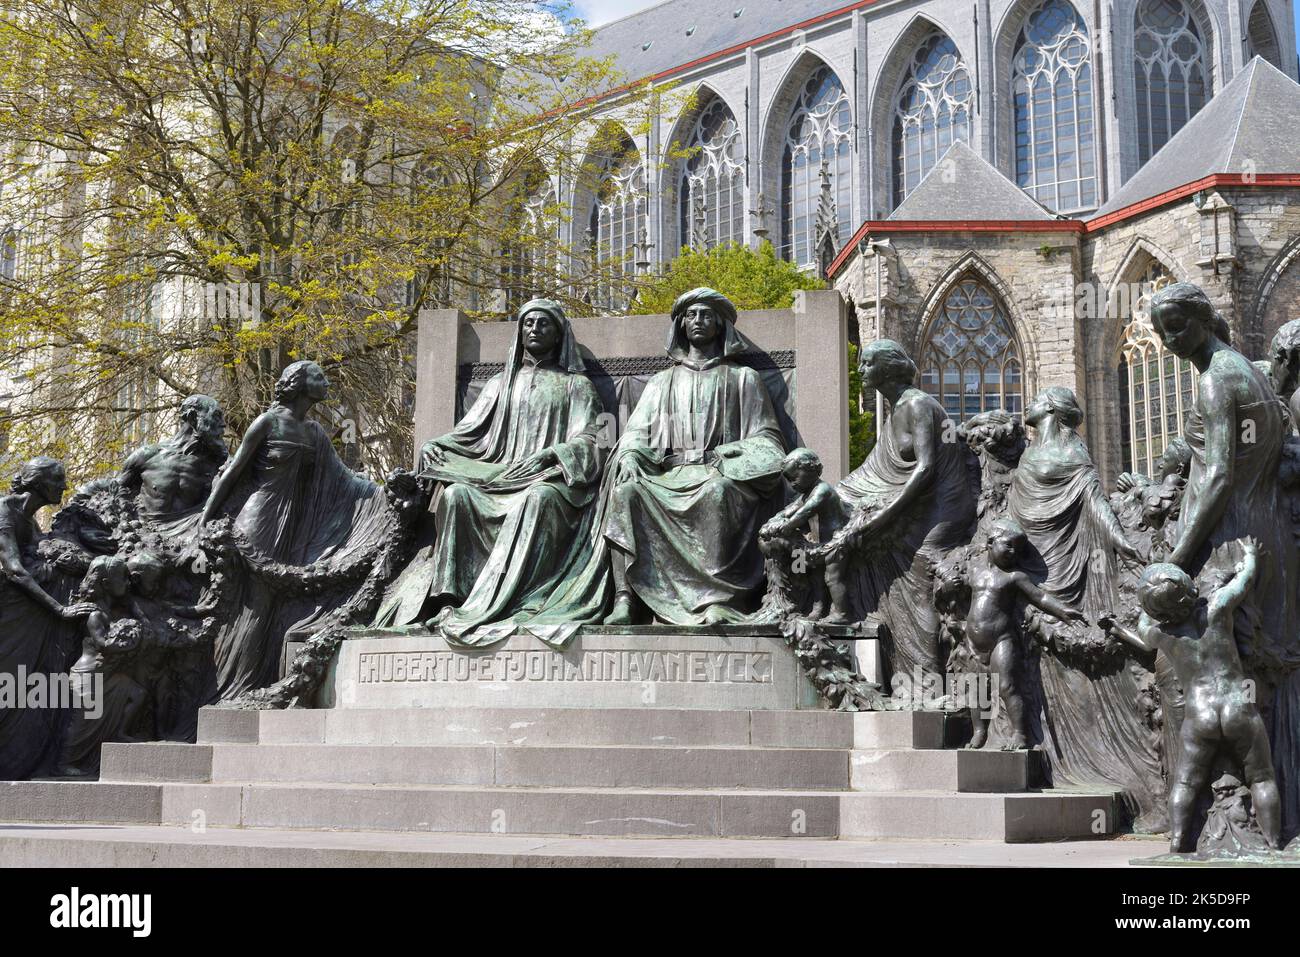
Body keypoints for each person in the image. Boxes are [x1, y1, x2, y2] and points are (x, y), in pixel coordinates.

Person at [535, 288, 786, 626]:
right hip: (669, 475)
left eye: (706, 315)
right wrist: (629, 456)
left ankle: (717, 600)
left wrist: (731, 455)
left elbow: (767, 437)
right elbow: (637, 433)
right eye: (692, 315)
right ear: (681, 324)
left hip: (718, 472)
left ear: (720, 325)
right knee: (626, 493)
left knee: (718, 493)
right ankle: (626, 599)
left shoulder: (743, 379)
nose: (698, 321)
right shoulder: (661, 382)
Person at [1151, 283, 1299, 835]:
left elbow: (1215, 477)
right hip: (1264, 536)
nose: (1170, 341)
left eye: (1178, 327)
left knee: (1208, 669)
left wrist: (1176, 559)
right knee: (1258, 670)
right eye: (1162, 332)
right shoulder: (1249, 370)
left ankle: (1222, 821)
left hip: (1227, 536)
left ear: (1205, 319)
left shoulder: (1217, 380)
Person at [375, 300, 605, 643]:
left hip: (548, 479)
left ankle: (532, 598)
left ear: (558, 335)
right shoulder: (500, 384)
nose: (535, 329)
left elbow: (592, 438)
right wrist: (436, 447)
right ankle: (449, 601)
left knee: (539, 499)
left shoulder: (577, 386)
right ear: (520, 332)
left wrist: (551, 455)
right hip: (497, 476)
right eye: (528, 323)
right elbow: (467, 434)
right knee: (456, 496)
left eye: (544, 324)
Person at [199, 361, 394, 700]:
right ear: (299, 384)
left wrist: (384, 493)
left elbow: (342, 478)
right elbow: (232, 473)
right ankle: (231, 689)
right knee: (254, 606)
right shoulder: (267, 422)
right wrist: (206, 519)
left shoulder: (315, 432)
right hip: (259, 520)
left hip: (292, 525)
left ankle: (253, 682)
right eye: (319, 377)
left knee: (272, 606)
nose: (327, 382)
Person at [1100, 540, 1281, 854]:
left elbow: (1144, 628)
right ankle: (1274, 842)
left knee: (1186, 784)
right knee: (1262, 777)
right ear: (1189, 589)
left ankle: (1177, 842)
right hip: (1237, 708)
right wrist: (1250, 555)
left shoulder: (1162, 635)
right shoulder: (1218, 609)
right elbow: (1245, 580)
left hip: (1200, 716)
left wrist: (1129, 619)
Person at [823, 340, 976, 681]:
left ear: (887, 368)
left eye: (866, 364)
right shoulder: (893, 412)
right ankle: (852, 620)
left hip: (943, 508)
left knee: (918, 573)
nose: (860, 370)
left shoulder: (918, 405)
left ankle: (926, 681)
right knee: (837, 511)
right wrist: (836, 499)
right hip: (915, 503)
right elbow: (872, 472)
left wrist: (882, 516)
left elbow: (925, 469)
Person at [0, 458, 97, 779]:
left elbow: (45, 553)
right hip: (13, 614)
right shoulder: (5, 512)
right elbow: (15, 570)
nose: (64, 486)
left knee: (25, 686)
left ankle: (19, 760)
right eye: (58, 480)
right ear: (39, 483)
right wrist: (60, 609)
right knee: (10, 681)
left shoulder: (31, 519)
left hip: (29, 613)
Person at [964, 519, 1084, 751]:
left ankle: (1020, 733)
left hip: (1001, 640)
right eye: (1008, 545)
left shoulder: (1015, 577)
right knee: (977, 689)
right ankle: (979, 732)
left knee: (1007, 686)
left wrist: (1063, 611)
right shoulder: (974, 569)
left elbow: (1039, 597)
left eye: (1017, 549)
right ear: (990, 542)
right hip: (973, 643)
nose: (1012, 552)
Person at [757, 448, 852, 622]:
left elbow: (803, 513)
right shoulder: (805, 494)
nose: (792, 484)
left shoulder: (822, 490)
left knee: (832, 578)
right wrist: (773, 521)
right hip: (819, 544)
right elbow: (789, 510)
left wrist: (785, 527)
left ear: (811, 470)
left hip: (836, 542)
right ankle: (817, 609)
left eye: (794, 478)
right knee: (816, 577)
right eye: (789, 480)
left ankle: (842, 613)